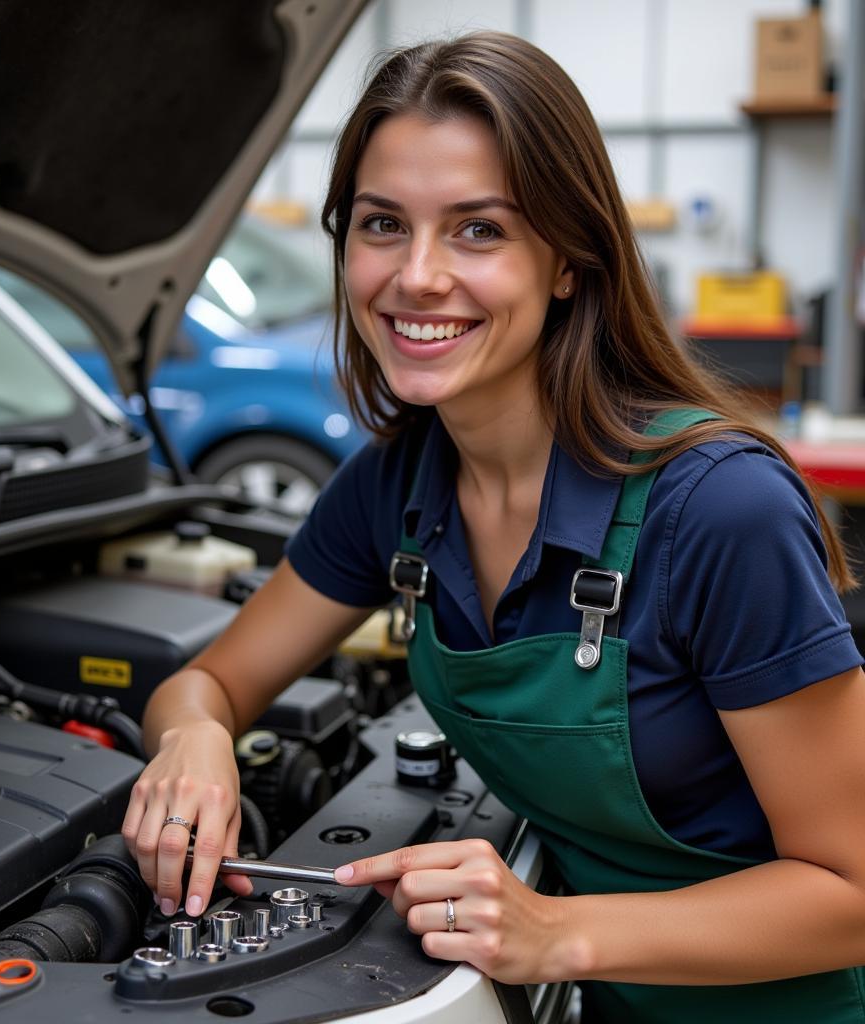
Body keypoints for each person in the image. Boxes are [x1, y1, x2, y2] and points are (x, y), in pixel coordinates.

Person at [122, 31, 865, 1023]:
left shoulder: (718, 510)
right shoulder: (396, 487)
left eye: (478, 231)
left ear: (567, 260)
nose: (417, 276)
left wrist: (557, 931)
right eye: (382, 224)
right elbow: (206, 682)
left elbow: (850, 891)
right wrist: (195, 743)